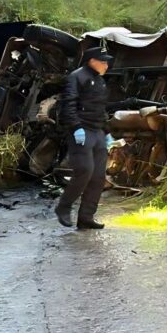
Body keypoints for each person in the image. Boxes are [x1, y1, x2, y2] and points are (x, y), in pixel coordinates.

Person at [54, 46, 115, 230]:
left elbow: (100, 109)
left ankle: (86, 217)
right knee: (85, 170)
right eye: (103, 61)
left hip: (97, 131)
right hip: (81, 130)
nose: (106, 65)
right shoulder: (77, 76)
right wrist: (76, 128)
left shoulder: (100, 81)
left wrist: (107, 131)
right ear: (92, 61)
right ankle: (63, 207)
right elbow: (68, 105)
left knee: (98, 176)